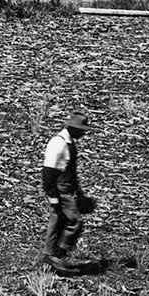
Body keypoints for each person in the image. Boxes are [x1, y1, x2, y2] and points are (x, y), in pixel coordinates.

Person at [41, 111, 96, 266]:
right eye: (81, 130)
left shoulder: (68, 142)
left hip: (66, 188)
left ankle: (52, 255)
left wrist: (79, 194)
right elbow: (48, 173)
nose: (83, 133)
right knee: (73, 221)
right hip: (59, 189)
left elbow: (70, 173)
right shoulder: (58, 144)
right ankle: (57, 254)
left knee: (59, 220)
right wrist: (53, 197)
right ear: (72, 128)